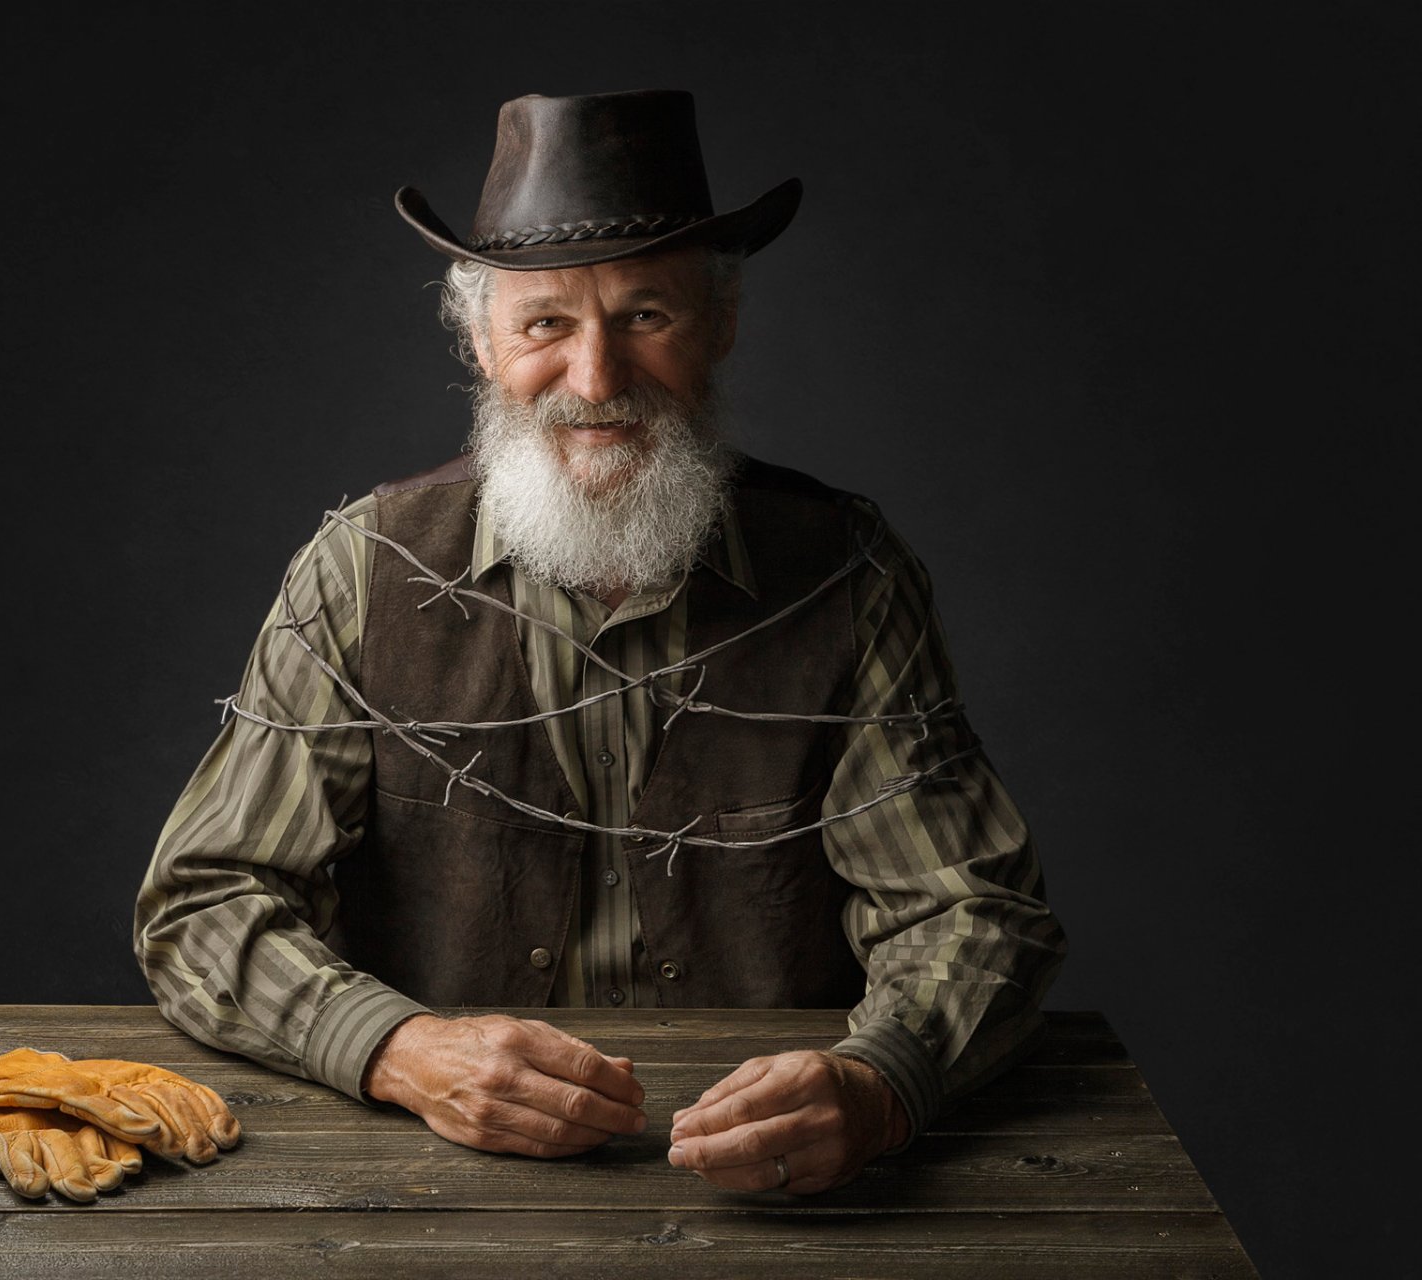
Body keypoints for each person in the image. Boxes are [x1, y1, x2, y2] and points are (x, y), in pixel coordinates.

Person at [136, 88, 1066, 1195]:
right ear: (480, 340)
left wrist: (880, 1080)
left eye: (646, 316)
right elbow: (204, 900)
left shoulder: (850, 574)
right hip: (429, 1185)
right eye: (546, 325)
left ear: (719, 325)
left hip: (774, 1193)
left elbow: (970, 906)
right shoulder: (358, 571)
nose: (595, 378)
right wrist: (399, 1049)